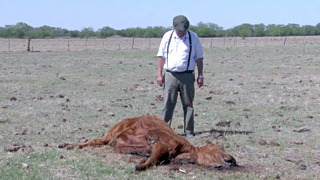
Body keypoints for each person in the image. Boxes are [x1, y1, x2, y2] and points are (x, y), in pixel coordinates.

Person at [156, 15, 204, 138]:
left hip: (187, 76)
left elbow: (199, 57)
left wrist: (200, 75)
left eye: (184, 29)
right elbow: (161, 56)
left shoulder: (193, 37)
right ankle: (165, 131)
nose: (182, 32)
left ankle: (189, 131)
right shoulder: (168, 36)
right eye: (180, 30)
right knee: (168, 104)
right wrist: (159, 74)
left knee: (188, 105)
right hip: (170, 75)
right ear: (174, 27)